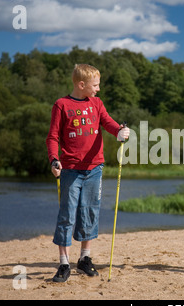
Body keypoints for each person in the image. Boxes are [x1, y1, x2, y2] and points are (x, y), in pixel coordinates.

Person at [46, 64, 130, 282]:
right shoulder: (61, 105)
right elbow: (52, 137)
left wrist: (120, 131)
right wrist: (54, 159)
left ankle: (84, 259)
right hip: (70, 169)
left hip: (95, 168)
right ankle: (64, 263)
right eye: (95, 85)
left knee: (89, 213)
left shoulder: (97, 103)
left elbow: (108, 123)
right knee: (67, 215)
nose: (98, 89)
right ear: (81, 84)